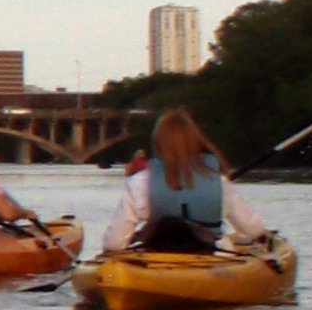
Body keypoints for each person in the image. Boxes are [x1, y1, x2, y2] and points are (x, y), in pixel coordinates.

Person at [102, 108, 269, 254]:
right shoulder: (219, 182)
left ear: (158, 144)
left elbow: (114, 244)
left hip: (156, 258)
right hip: (210, 256)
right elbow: (254, 230)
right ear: (196, 142)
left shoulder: (139, 183)